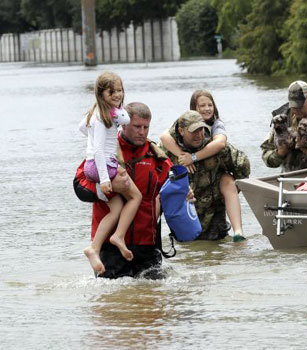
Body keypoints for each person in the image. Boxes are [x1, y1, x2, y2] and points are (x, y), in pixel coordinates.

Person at [74, 102, 173, 279]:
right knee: (112, 303)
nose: (142, 132)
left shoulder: (158, 158)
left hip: (147, 246)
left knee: (155, 301)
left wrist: (184, 195)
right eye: (137, 127)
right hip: (110, 247)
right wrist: (105, 189)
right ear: (123, 124)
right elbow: (79, 186)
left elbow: (171, 192)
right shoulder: (104, 152)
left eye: (146, 127)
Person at [159, 90, 245, 241]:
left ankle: (238, 232)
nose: (199, 135)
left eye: (201, 130)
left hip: (213, 214)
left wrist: (193, 158)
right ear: (181, 130)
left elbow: (241, 165)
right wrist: (180, 157)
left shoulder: (216, 132)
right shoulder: (173, 138)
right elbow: (164, 137)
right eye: (202, 105)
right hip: (186, 213)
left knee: (227, 180)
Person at [78, 72, 142, 274]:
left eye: (120, 90)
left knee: (116, 208)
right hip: (101, 166)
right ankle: (119, 236)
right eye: (111, 91)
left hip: (98, 165)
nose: (117, 94)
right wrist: (105, 179)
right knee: (136, 196)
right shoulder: (100, 118)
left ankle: (94, 248)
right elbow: (97, 150)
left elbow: (82, 127)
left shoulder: (101, 113)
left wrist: (114, 108)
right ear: (100, 93)